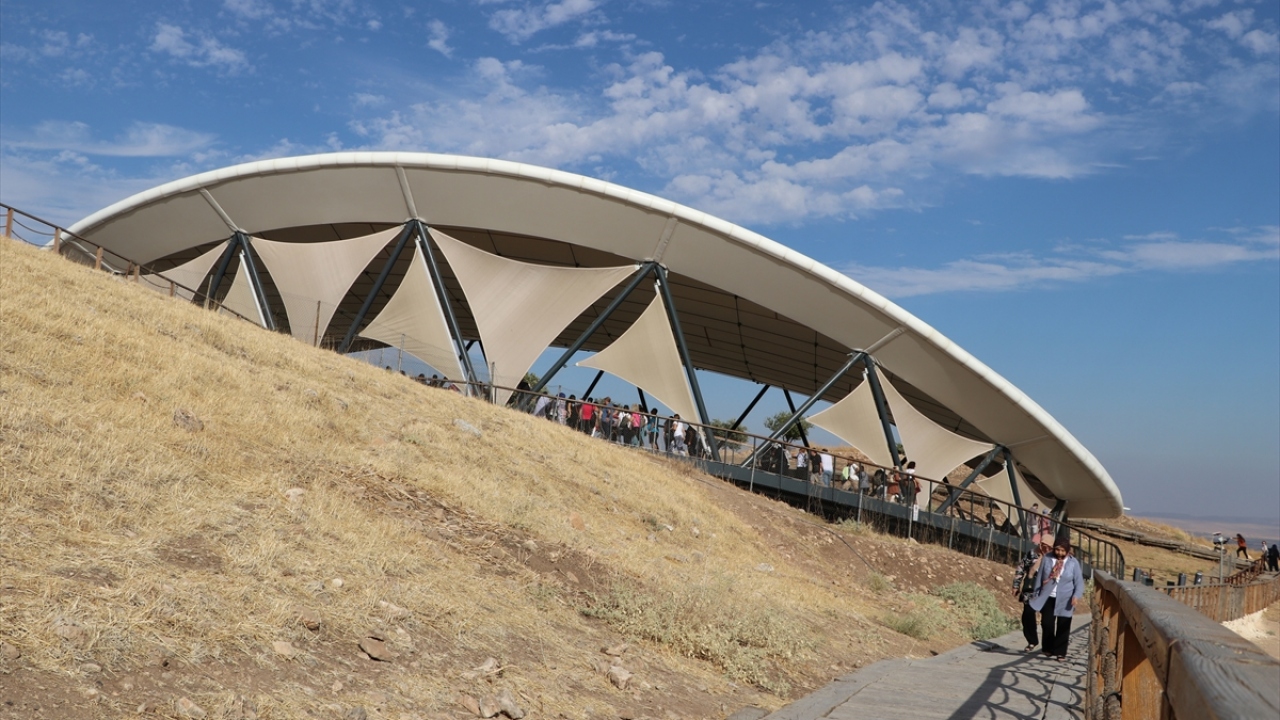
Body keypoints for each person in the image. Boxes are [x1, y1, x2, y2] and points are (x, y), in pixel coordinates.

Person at [1027, 541, 1085, 661]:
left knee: (1063, 625)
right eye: (1058, 550)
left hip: (1066, 598)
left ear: (1067, 551)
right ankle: (1048, 648)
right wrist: (1036, 592)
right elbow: (1040, 576)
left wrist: (1076, 596)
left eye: (1063, 551)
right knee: (1047, 623)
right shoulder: (1047, 558)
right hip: (1048, 596)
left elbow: (1079, 582)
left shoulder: (1073, 563)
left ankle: (1060, 652)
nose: (1060, 553)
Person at [1013, 541, 1052, 652]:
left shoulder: (1055, 557)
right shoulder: (1031, 554)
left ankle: (1048, 645)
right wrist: (1016, 585)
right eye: (1044, 546)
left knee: (1048, 620)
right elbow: (1020, 569)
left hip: (1047, 590)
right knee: (1028, 615)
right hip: (1030, 589)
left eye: (1049, 546)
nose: (1046, 548)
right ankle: (1032, 641)